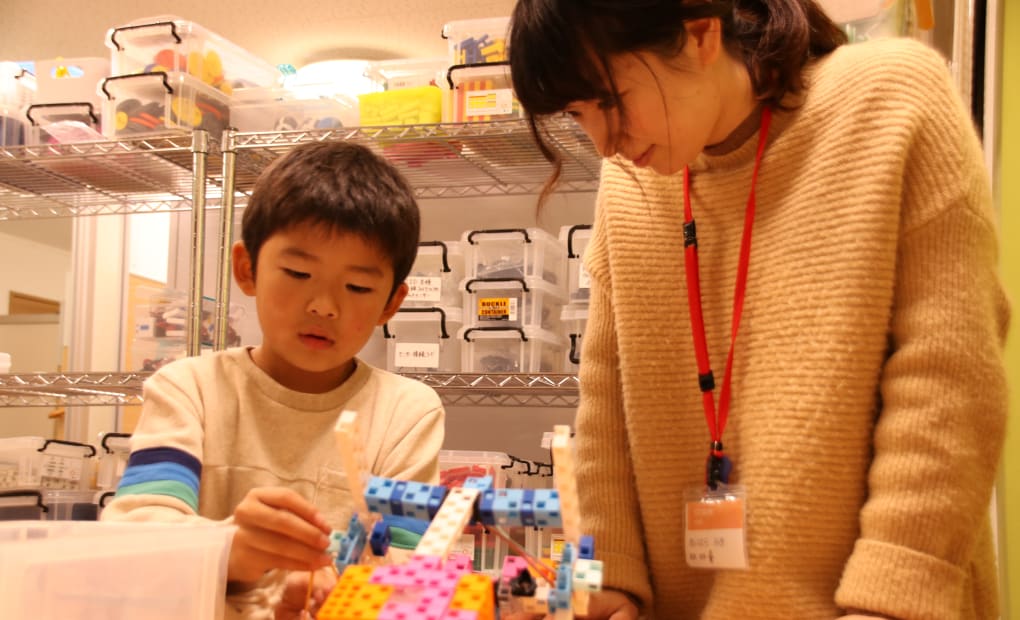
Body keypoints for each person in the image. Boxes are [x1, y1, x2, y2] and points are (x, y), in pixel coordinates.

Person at [507, 1, 1010, 619]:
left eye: (608, 102)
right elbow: (606, 389)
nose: (604, 143)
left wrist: (895, 592)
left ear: (699, 33)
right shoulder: (631, 182)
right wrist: (606, 572)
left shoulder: (890, 99)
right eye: (578, 116)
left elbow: (949, 373)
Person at [101, 141, 445, 619]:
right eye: (299, 272)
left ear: (391, 303)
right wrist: (234, 554)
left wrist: (349, 587)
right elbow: (134, 538)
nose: (324, 305)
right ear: (247, 269)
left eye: (359, 287)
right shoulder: (190, 389)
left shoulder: (406, 411)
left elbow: (413, 566)